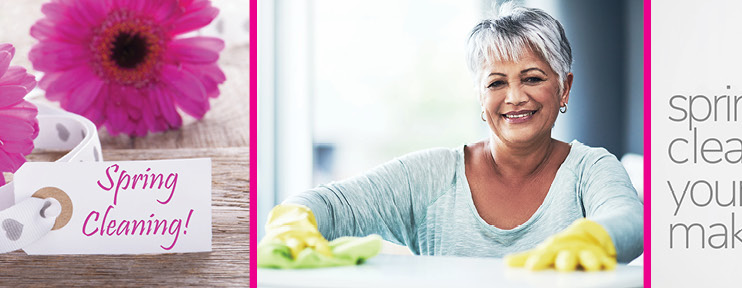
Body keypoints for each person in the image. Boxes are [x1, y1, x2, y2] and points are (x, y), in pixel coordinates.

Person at [259, 5, 643, 272]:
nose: (514, 97)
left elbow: (630, 221)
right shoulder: (432, 175)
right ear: (481, 97)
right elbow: (328, 204)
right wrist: (293, 221)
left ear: (564, 88)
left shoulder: (591, 169)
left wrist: (595, 237)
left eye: (532, 77)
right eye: (496, 82)